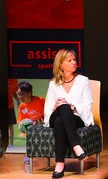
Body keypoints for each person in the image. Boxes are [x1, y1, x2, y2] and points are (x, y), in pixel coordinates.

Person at [43, 49, 94, 179]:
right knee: (62, 108)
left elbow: (88, 104)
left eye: (74, 60)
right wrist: (56, 106)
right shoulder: (53, 83)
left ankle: (59, 164)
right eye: (69, 60)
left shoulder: (83, 80)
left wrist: (73, 106)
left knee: (62, 118)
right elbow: (48, 109)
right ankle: (76, 145)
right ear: (60, 65)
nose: (74, 63)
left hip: (77, 117)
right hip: (55, 114)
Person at [8, 79, 21, 146]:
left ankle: (11, 144)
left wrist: (18, 100)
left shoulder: (13, 80)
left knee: (11, 126)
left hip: (9, 106)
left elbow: (13, 92)